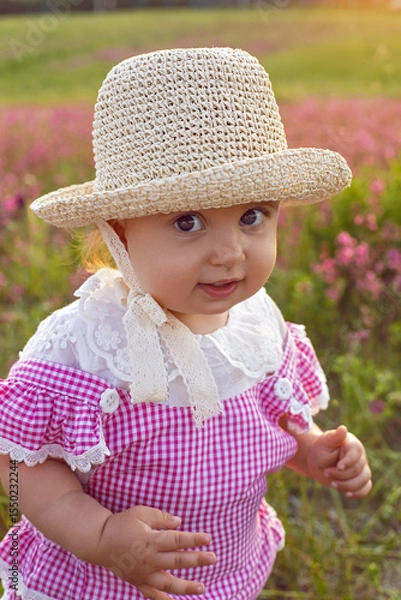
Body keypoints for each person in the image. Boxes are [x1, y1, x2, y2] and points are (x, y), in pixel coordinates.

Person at [0, 47, 372, 600]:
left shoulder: (256, 326)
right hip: (101, 583)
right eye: (188, 222)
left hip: (222, 572)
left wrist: (311, 450)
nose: (230, 253)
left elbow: (266, 418)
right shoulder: (84, 348)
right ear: (121, 234)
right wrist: (101, 535)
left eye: (252, 217)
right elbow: (19, 472)